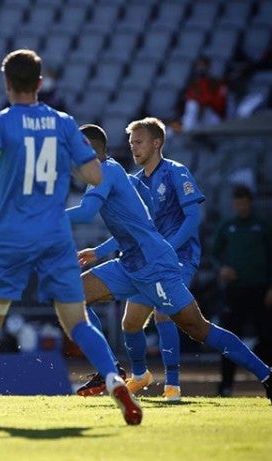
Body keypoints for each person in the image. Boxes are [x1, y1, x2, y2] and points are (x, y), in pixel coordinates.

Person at [0, 49, 143, 426]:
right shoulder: (63, 123)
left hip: (11, 237)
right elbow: (95, 176)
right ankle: (114, 380)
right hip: (55, 235)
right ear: (40, 83)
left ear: (6, 83)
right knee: (76, 320)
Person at [66, 124, 271, 405]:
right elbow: (132, 225)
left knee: (197, 328)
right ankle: (110, 370)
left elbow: (87, 212)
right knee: (74, 295)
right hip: (130, 263)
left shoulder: (109, 172)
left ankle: (266, 376)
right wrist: (100, 252)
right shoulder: (111, 175)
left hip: (155, 265)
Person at [76, 116, 205, 402]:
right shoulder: (133, 181)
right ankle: (140, 375)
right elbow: (132, 231)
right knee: (130, 324)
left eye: (138, 141)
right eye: (131, 142)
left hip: (177, 255)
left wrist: (168, 248)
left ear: (156, 143)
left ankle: (173, 384)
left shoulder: (176, 172)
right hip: (146, 259)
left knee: (163, 313)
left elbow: (193, 218)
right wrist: (99, 251)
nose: (133, 147)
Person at [212, 184, 272, 397]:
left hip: (260, 290)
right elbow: (213, 254)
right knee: (229, 336)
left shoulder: (262, 226)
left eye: (245, 203)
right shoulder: (228, 226)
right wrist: (222, 268)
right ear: (234, 204)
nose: (242, 207)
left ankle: (269, 381)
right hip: (234, 291)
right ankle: (226, 386)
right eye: (238, 203)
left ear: (250, 203)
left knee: (266, 337)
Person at [172, 56, 228, 133]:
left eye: (203, 66)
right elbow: (189, 101)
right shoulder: (194, 84)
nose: (201, 68)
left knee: (194, 106)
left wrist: (203, 103)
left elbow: (220, 105)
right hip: (195, 117)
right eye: (199, 66)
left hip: (212, 116)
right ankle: (183, 130)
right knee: (191, 106)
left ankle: (187, 130)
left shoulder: (216, 83)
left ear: (208, 67)